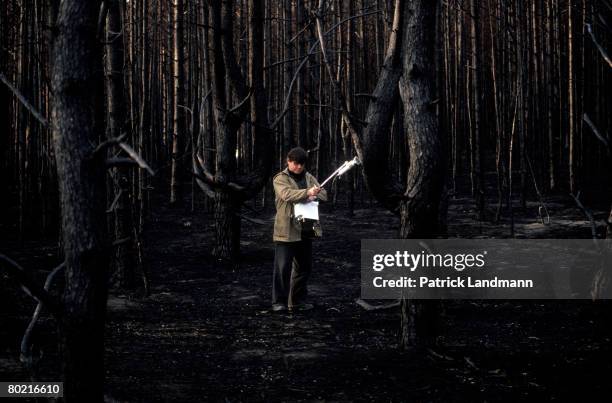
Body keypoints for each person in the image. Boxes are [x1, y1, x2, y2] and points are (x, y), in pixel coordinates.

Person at [271, 147, 327, 312]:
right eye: (295, 163)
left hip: (306, 229)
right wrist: (306, 192)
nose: (299, 167)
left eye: (302, 164)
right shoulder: (280, 178)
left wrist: (315, 194)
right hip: (286, 230)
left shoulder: (309, 177)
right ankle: (278, 303)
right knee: (282, 268)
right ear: (288, 161)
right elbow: (286, 195)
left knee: (304, 268)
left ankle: (297, 301)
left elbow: (324, 194)